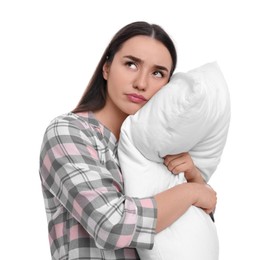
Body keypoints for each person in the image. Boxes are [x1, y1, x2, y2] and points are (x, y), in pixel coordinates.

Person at [39, 21, 217, 260]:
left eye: (157, 73)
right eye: (131, 64)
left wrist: (195, 178)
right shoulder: (69, 132)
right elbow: (111, 226)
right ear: (106, 68)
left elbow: (185, 236)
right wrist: (192, 192)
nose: (141, 83)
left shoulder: (155, 150)